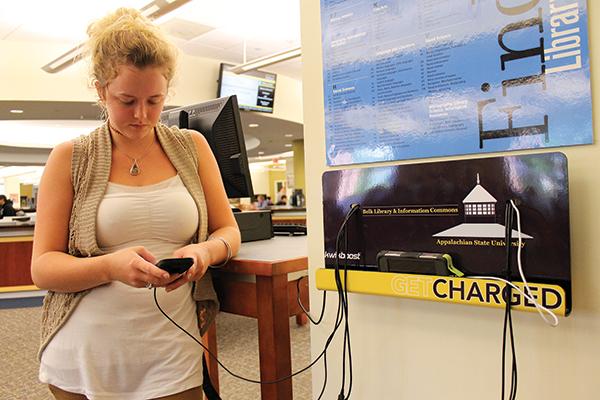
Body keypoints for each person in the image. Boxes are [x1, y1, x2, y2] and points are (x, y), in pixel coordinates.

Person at [30, 8, 240, 400]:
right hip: (87, 350)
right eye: (126, 101)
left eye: (154, 101)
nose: (141, 115)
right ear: (100, 91)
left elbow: (229, 231)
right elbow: (43, 267)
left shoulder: (191, 147)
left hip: (170, 344)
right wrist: (110, 266)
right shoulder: (70, 158)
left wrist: (205, 251)